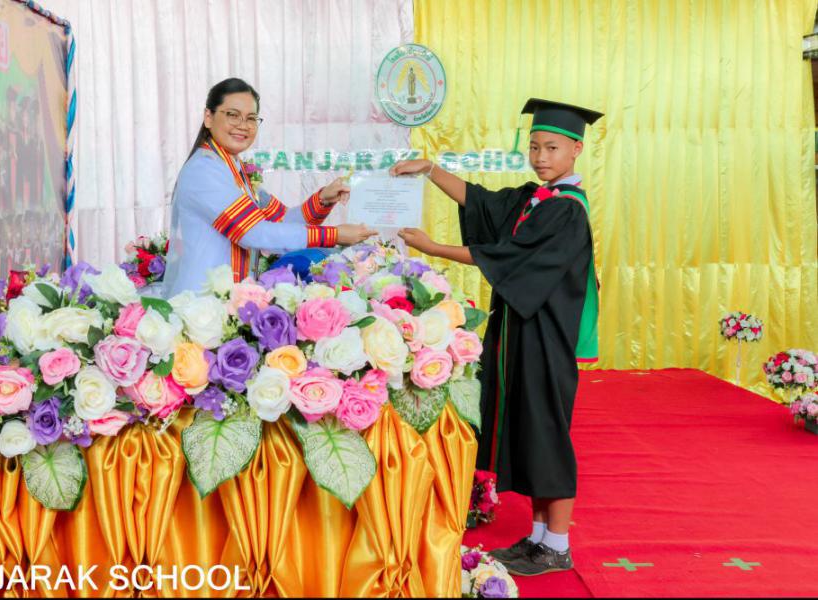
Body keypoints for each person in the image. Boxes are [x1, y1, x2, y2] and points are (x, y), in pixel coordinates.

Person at [391, 98, 602, 576]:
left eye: (552, 148)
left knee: (547, 434)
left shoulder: (566, 211)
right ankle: (539, 538)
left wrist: (433, 247)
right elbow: (483, 201)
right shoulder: (536, 198)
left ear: (576, 150)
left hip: (547, 338)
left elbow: (508, 255)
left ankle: (558, 545)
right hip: (522, 332)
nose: (541, 156)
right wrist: (430, 170)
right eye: (534, 147)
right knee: (530, 431)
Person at [162, 78, 375, 296]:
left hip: (228, 301)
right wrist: (335, 235)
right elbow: (255, 233)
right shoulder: (204, 169)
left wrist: (323, 200)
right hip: (200, 302)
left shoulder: (236, 169)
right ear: (208, 117)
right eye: (233, 115)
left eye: (251, 118)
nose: (243, 125)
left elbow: (282, 222)